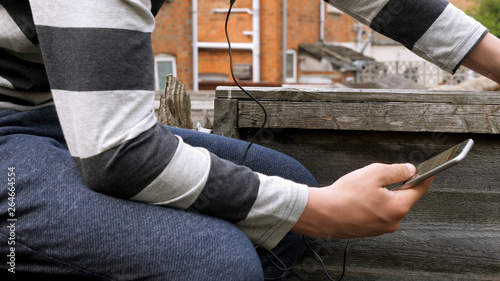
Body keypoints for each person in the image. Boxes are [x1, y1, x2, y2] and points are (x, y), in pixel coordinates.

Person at [0, 0, 498, 280]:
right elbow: (120, 156)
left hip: (61, 117)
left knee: (290, 197)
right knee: (217, 264)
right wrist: (319, 210)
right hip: (23, 136)